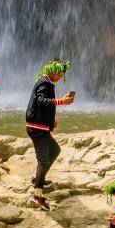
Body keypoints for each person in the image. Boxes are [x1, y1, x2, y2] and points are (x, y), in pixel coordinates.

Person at [24, 58, 75, 210]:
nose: (59, 77)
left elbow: (42, 103)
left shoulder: (46, 82)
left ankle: (38, 180)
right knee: (44, 161)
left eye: (62, 75)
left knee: (55, 150)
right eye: (58, 73)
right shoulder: (44, 83)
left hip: (40, 126)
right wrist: (60, 102)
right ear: (51, 70)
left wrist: (52, 118)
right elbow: (40, 100)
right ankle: (37, 195)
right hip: (37, 128)